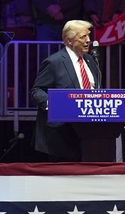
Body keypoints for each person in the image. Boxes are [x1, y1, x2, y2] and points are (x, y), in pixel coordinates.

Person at [29, 20, 101, 160]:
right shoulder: (54, 62)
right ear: (69, 41)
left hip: (88, 132)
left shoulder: (90, 60)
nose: (88, 40)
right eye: (83, 37)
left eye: (88, 36)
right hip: (61, 135)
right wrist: (54, 104)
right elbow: (36, 91)